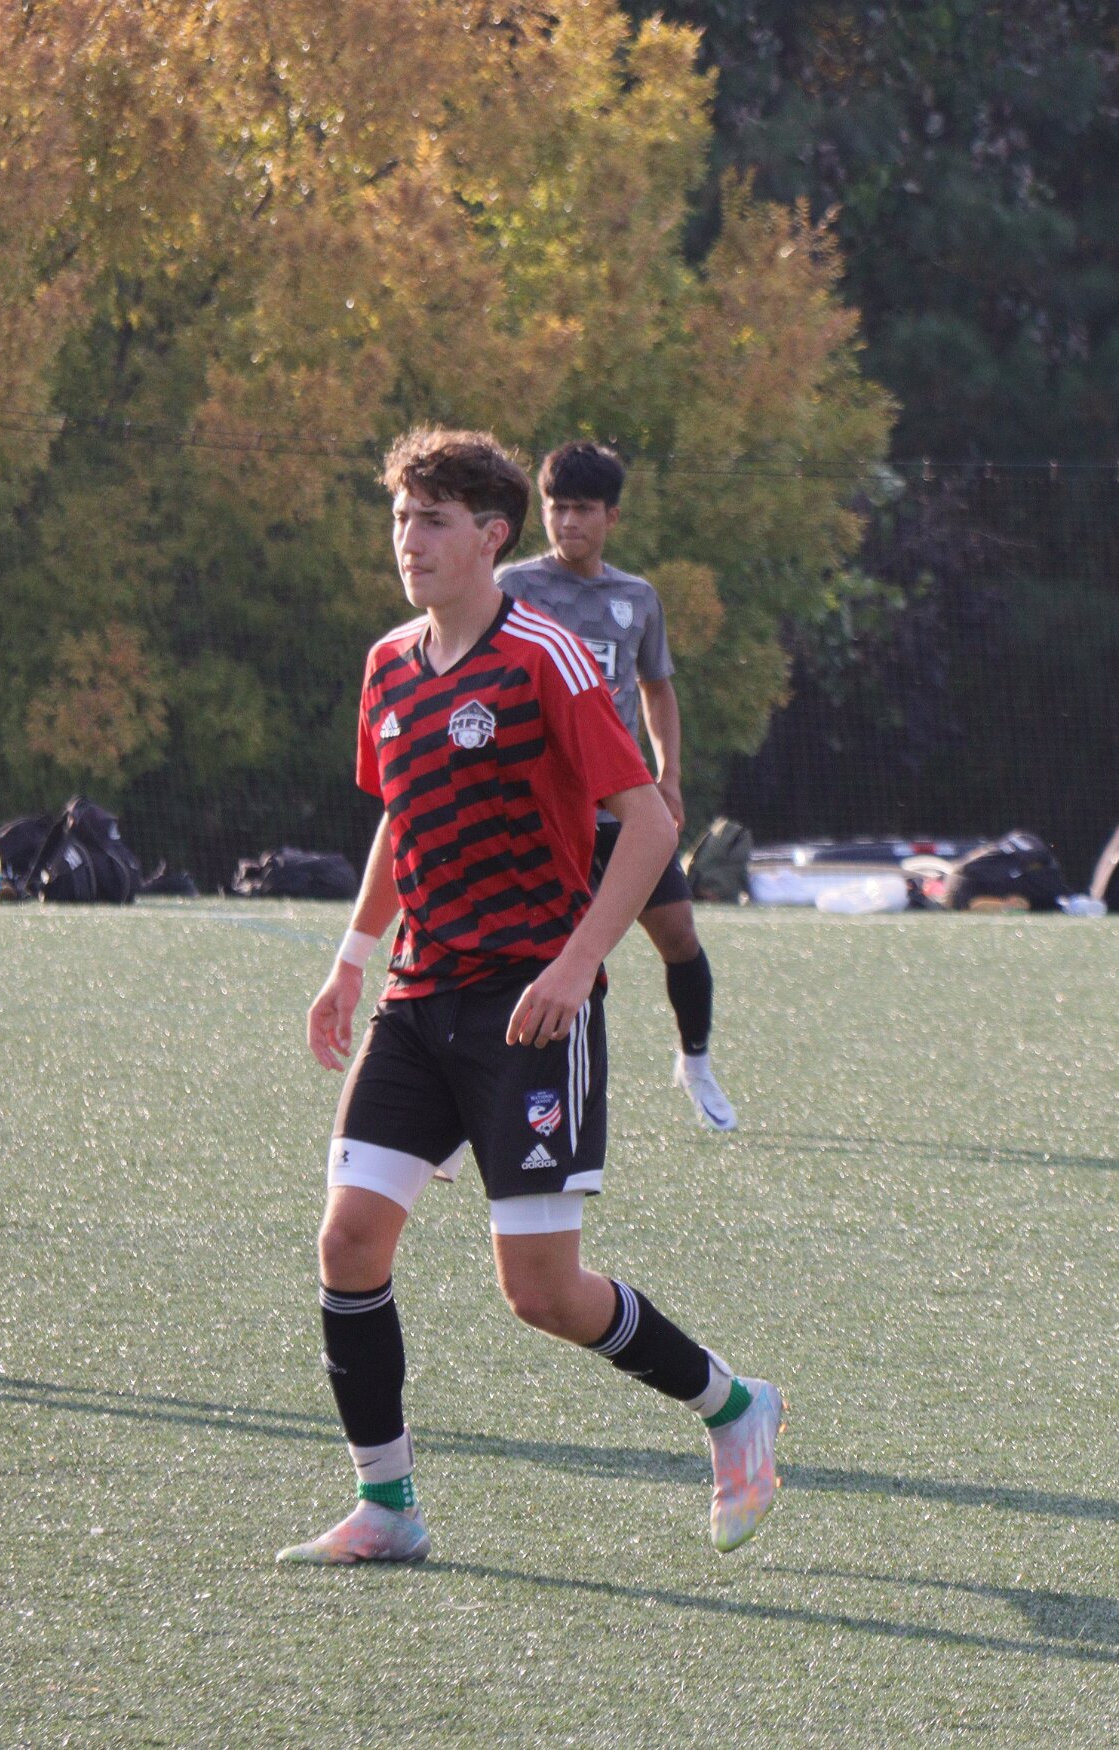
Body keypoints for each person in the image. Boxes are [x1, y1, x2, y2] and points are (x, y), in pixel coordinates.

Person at [284, 428, 781, 1566]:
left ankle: (732, 1404)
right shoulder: (387, 665)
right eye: (401, 518)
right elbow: (400, 818)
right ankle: (387, 1505)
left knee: (543, 1294)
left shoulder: (544, 657)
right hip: (419, 998)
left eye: (433, 521)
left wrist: (572, 964)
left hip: (529, 1008)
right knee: (348, 1239)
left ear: (490, 536)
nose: (409, 540)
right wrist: (351, 957)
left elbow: (646, 822)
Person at [499, 442, 736, 1131]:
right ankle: (479, 1095)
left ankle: (695, 1062)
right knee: (525, 953)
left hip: (622, 808)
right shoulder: (513, 587)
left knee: (679, 934)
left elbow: (657, 689)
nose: (567, 522)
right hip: (541, 812)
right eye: (556, 508)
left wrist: (668, 777)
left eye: (582, 509)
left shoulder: (636, 599)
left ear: (612, 517)